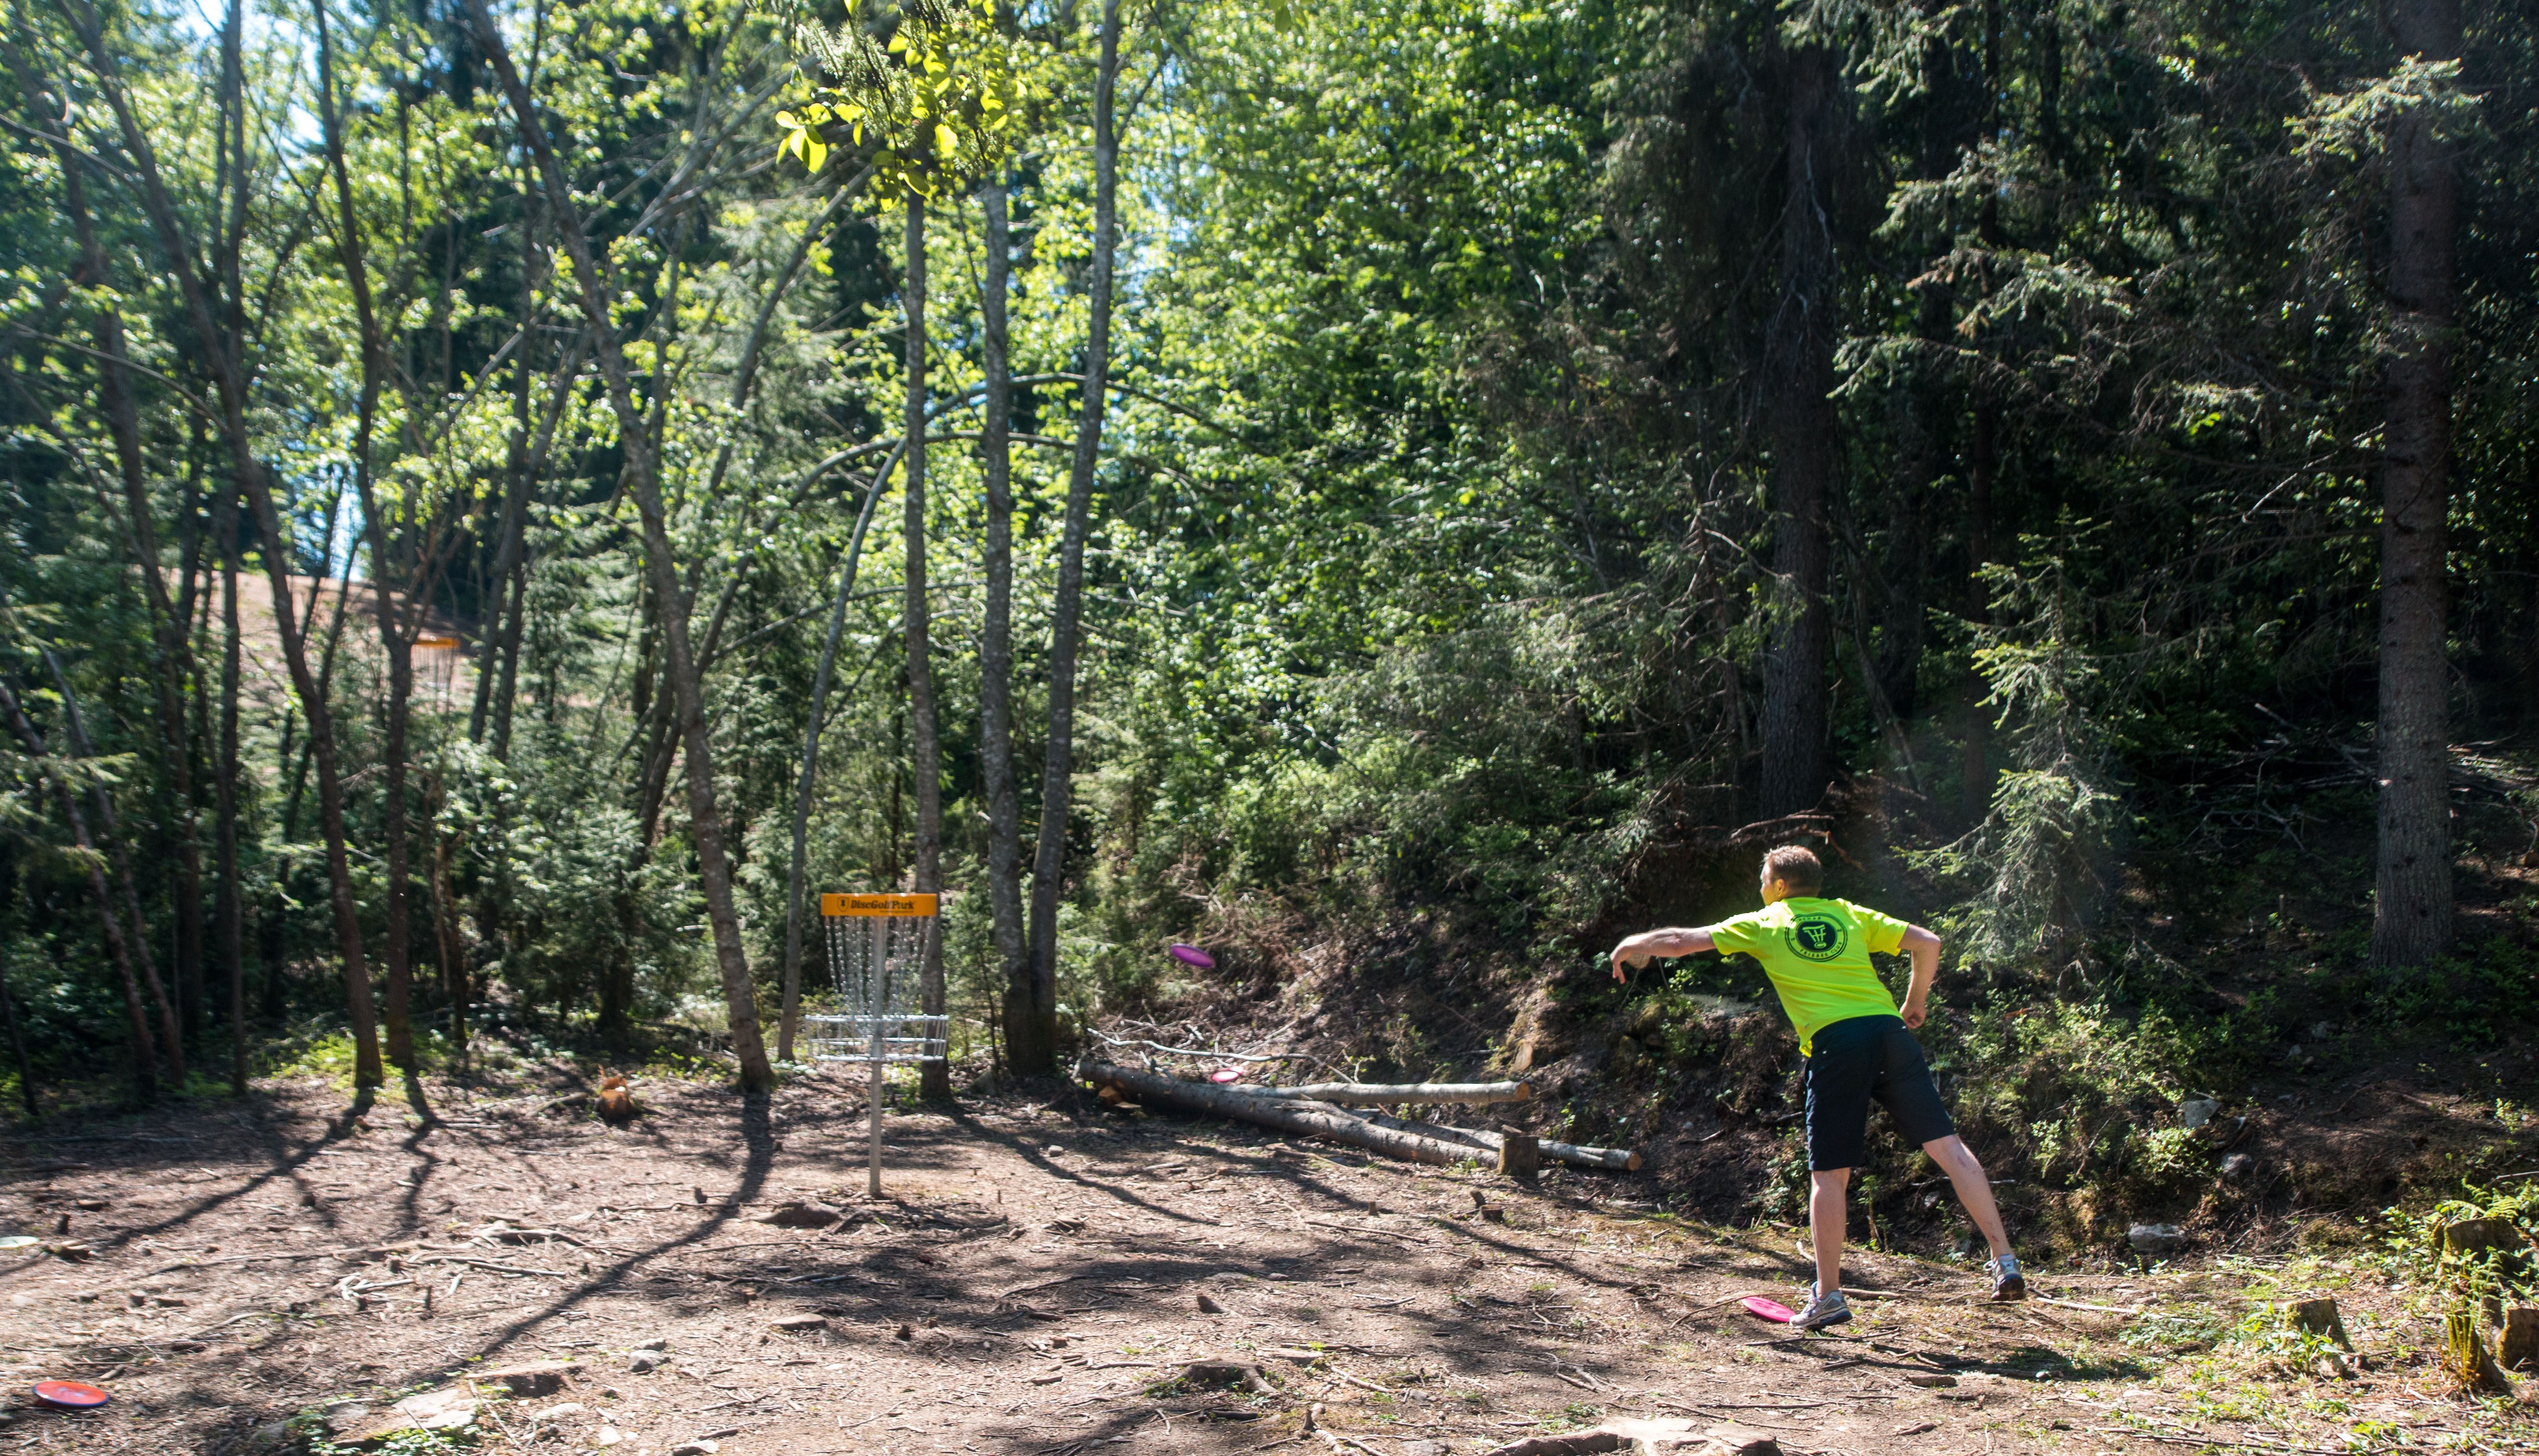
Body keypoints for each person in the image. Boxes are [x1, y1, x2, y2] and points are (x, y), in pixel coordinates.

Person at [1607, 844, 2024, 1328]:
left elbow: (1681, 940)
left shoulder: (1767, 922)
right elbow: (1927, 942)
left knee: (1830, 1174)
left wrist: (1633, 943)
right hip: (1889, 1034)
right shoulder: (1847, 914)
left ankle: (1828, 1295)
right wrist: (1915, 1003)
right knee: (1948, 1147)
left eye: (1763, 878)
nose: (1760, 887)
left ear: (1780, 886)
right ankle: (2005, 1259)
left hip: (1835, 1043)